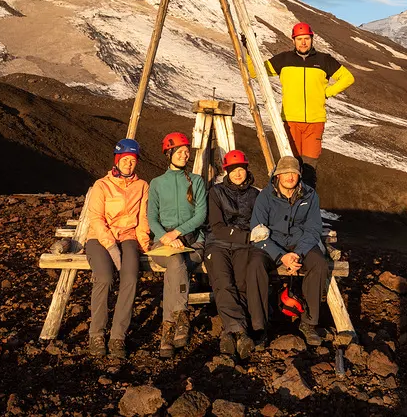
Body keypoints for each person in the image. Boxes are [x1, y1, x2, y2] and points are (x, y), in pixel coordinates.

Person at [248, 22, 354, 187]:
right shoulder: (284, 59)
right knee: (291, 165)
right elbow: (255, 72)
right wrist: (249, 50)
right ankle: (289, 203)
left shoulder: (324, 60)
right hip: (291, 120)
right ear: (293, 41)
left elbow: (348, 78)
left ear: (312, 39)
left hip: (315, 121)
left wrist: (327, 93)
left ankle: (307, 204)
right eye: (299, 39)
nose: (303, 42)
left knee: (310, 167)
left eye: (306, 38)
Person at [85, 138, 152, 360]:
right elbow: (95, 217)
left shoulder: (142, 186)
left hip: (129, 236)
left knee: (130, 278)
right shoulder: (101, 185)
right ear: (117, 160)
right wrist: (110, 245)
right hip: (99, 238)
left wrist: (143, 243)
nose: (129, 164)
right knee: (104, 278)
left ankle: (117, 336)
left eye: (132, 161)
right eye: (125, 160)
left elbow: (143, 217)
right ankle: (96, 333)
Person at [249, 155, 327, 346]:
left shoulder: (310, 195)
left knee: (319, 264)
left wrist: (298, 253)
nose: (290, 177)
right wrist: (281, 256)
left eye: (294, 173)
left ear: (299, 175)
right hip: (271, 244)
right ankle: (259, 326)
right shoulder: (265, 196)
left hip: (300, 245)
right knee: (254, 266)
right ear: (277, 176)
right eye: (285, 173)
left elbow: (314, 228)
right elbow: (257, 231)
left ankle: (309, 323)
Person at [147, 131, 208, 359]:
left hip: (193, 244)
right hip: (163, 245)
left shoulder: (197, 181)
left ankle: (167, 333)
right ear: (169, 153)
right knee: (174, 260)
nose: (184, 155)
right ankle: (182, 315)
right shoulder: (157, 184)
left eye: (186, 151)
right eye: (180, 151)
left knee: (176, 264)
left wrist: (178, 233)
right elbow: (152, 217)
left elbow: (201, 214)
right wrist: (165, 236)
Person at [204, 149, 270, 358]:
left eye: (240, 169)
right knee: (223, 282)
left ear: (246, 169)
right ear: (227, 172)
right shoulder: (216, 193)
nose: (238, 174)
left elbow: (259, 221)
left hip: (244, 247)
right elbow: (216, 226)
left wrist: (254, 236)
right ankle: (241, 331)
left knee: (241, 285)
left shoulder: (255, 195)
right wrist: (247, 236)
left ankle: (229, 332)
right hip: (218, 244)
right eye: (233, 170)